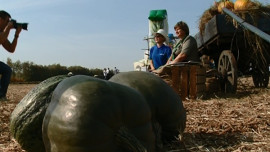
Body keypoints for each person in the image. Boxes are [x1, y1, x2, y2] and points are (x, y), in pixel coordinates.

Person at [0, 10, 22, 101]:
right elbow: (1, 39)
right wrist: (8, 28)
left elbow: (11, 49)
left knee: (7, 70)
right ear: (0, 20)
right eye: (7, 21)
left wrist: (16, 35)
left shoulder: (2, 33)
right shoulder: (2, 33)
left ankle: (1, 96)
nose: (8, 23)